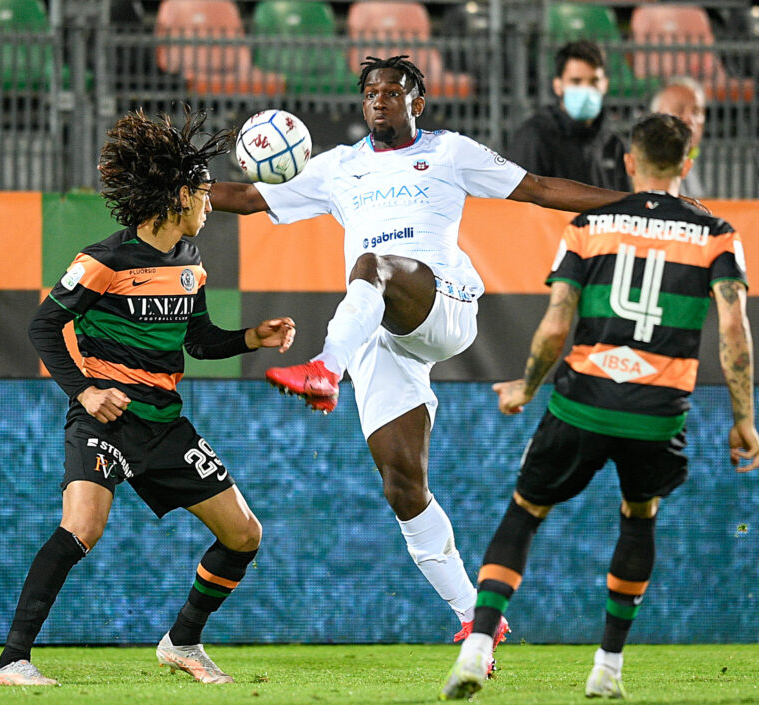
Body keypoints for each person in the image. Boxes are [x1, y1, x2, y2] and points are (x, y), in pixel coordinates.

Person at [209, 55, 681, 667]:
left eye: (393, 91)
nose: (380, 100)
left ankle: (324, 368)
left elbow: (538, 188)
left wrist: (636, 204)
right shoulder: (336, 167)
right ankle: (474, 619)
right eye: (371, 93)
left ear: (418, 103)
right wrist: (174, 187)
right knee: (403, 486)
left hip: (443, 304)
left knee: (372, 264)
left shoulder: (450, 152)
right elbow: (246, 197)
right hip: (379, 331)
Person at [440, 113, 759, 700]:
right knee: (639, 514)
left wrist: (526, 387)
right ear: (687, 164)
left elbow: (556, 323)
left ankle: (477, 647)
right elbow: (734, 330)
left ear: (629, 162)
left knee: (525, 512)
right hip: (657, 412)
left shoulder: (588, 226)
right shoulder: (718, 234)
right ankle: (607, 668)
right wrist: (744, 418)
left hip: (582, 403)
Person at [0, 108, 296, 687]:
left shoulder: (190, 263)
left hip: (164, 425)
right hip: (106, 421)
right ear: (179, 196)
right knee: (81, 528)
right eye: (204, 192)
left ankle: (183, 642)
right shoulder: (103, 261)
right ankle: (12, 661)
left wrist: (252, 338)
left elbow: (198, 342)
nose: (210, 204)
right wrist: (85, 393)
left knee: (244, 535)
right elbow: (43, 326)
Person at [508, 40, 630, 191]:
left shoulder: (613, 144)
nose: (586, 89)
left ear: (605, 84)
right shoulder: (535, 137)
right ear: (558, 85)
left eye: (594, 81)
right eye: (576, 81)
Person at [651, 76, 708, 198]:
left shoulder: (695, 164)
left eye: (696, 112)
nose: (689, 119)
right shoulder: (644, 168)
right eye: (679, 110)